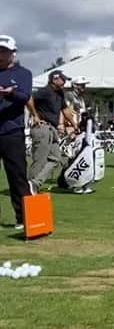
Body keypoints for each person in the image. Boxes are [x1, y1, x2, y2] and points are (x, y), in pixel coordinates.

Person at [0, 35, 32, 230]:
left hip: (11, 131)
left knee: (17, 176)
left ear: (13, 53)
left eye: (4, 51)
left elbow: (24, 96)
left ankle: (24, 218)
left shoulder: (23, 73)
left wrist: (9, 93)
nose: (0, 54)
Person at [27, 69, 68, 192]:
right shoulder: (44, 91)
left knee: (56, 159)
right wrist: (35, 116)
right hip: (42, 128)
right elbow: (29, 98)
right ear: (54, 79)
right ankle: (29, 186)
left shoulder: (60, 94)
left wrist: (74, 125)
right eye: (63, 79)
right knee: (39, 160)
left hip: (52, 129)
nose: (65, 82)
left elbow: (65, 110)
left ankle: (35, 183)